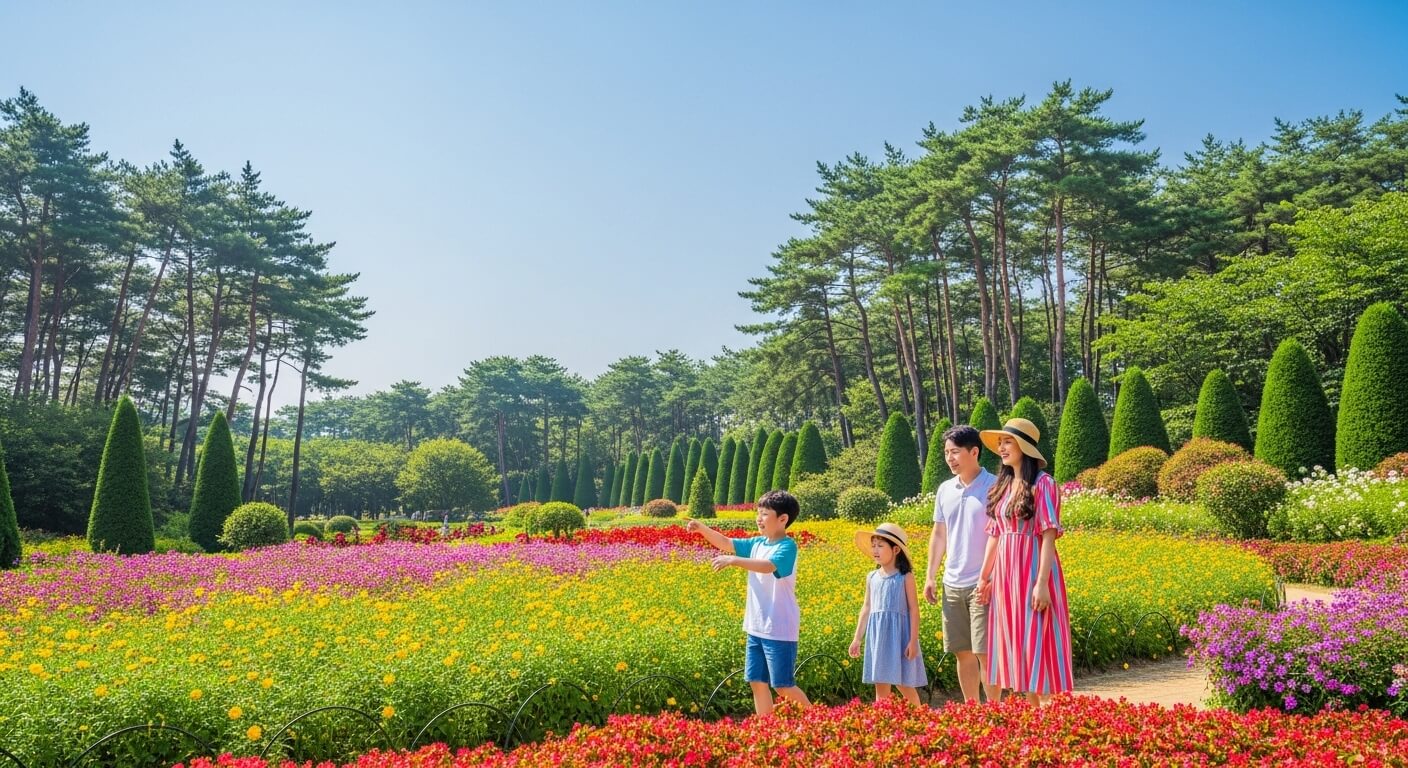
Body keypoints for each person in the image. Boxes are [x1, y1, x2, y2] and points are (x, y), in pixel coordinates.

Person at [976, 417, 1073, 704]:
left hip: (1032, 569)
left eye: (1008, 442)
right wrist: (984, 577)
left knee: (1037, 640)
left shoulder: (1044, 484)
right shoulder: (1003, 485)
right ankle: (1031, 717)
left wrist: (1042, 583)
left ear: (1024, 447)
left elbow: (1048, 535)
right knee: (1016, 642)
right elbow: (995, 534)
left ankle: (1050, 716)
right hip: (1006, 573)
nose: (1002, 448)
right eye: (1000, 442)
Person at [687, 490, 811, 716]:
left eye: (764, 514)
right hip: (756, 626)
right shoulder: (757, 543)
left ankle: (819, 719)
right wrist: (702, 528)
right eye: (758, 513)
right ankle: (766, 729)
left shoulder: (787, 546)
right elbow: (725, 542)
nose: (759, 518)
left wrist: (734, 561)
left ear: (783, 519)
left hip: (779, 628)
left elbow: (768, 566)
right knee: (756, 681)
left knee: (782, 685)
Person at [924, 424, 1000, 703]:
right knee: (962, 651)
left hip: (984, 582)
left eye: (955, 452)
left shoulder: (994, 486)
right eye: (946, 453)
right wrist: (931, 576)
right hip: (952, 582)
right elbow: (939, 533)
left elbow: (1000, 534)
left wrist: (991, 576)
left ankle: (993, 711)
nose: (950, 459)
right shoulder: (945, 490)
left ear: (974, 452)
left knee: (985, 652)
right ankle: (972, 711)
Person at [849, 522, 927, 704]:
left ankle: (921, 719)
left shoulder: (905, 577)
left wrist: (913, 641)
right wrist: (857, 638)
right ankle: (882, 724)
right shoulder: (872, 577)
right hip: (878, 637)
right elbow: (866, 608)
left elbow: (914, 610)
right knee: (881, 684)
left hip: (900, 637)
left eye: (880, 545)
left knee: (904, 684)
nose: (875, 550)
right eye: (873, 545)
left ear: (896, 550)